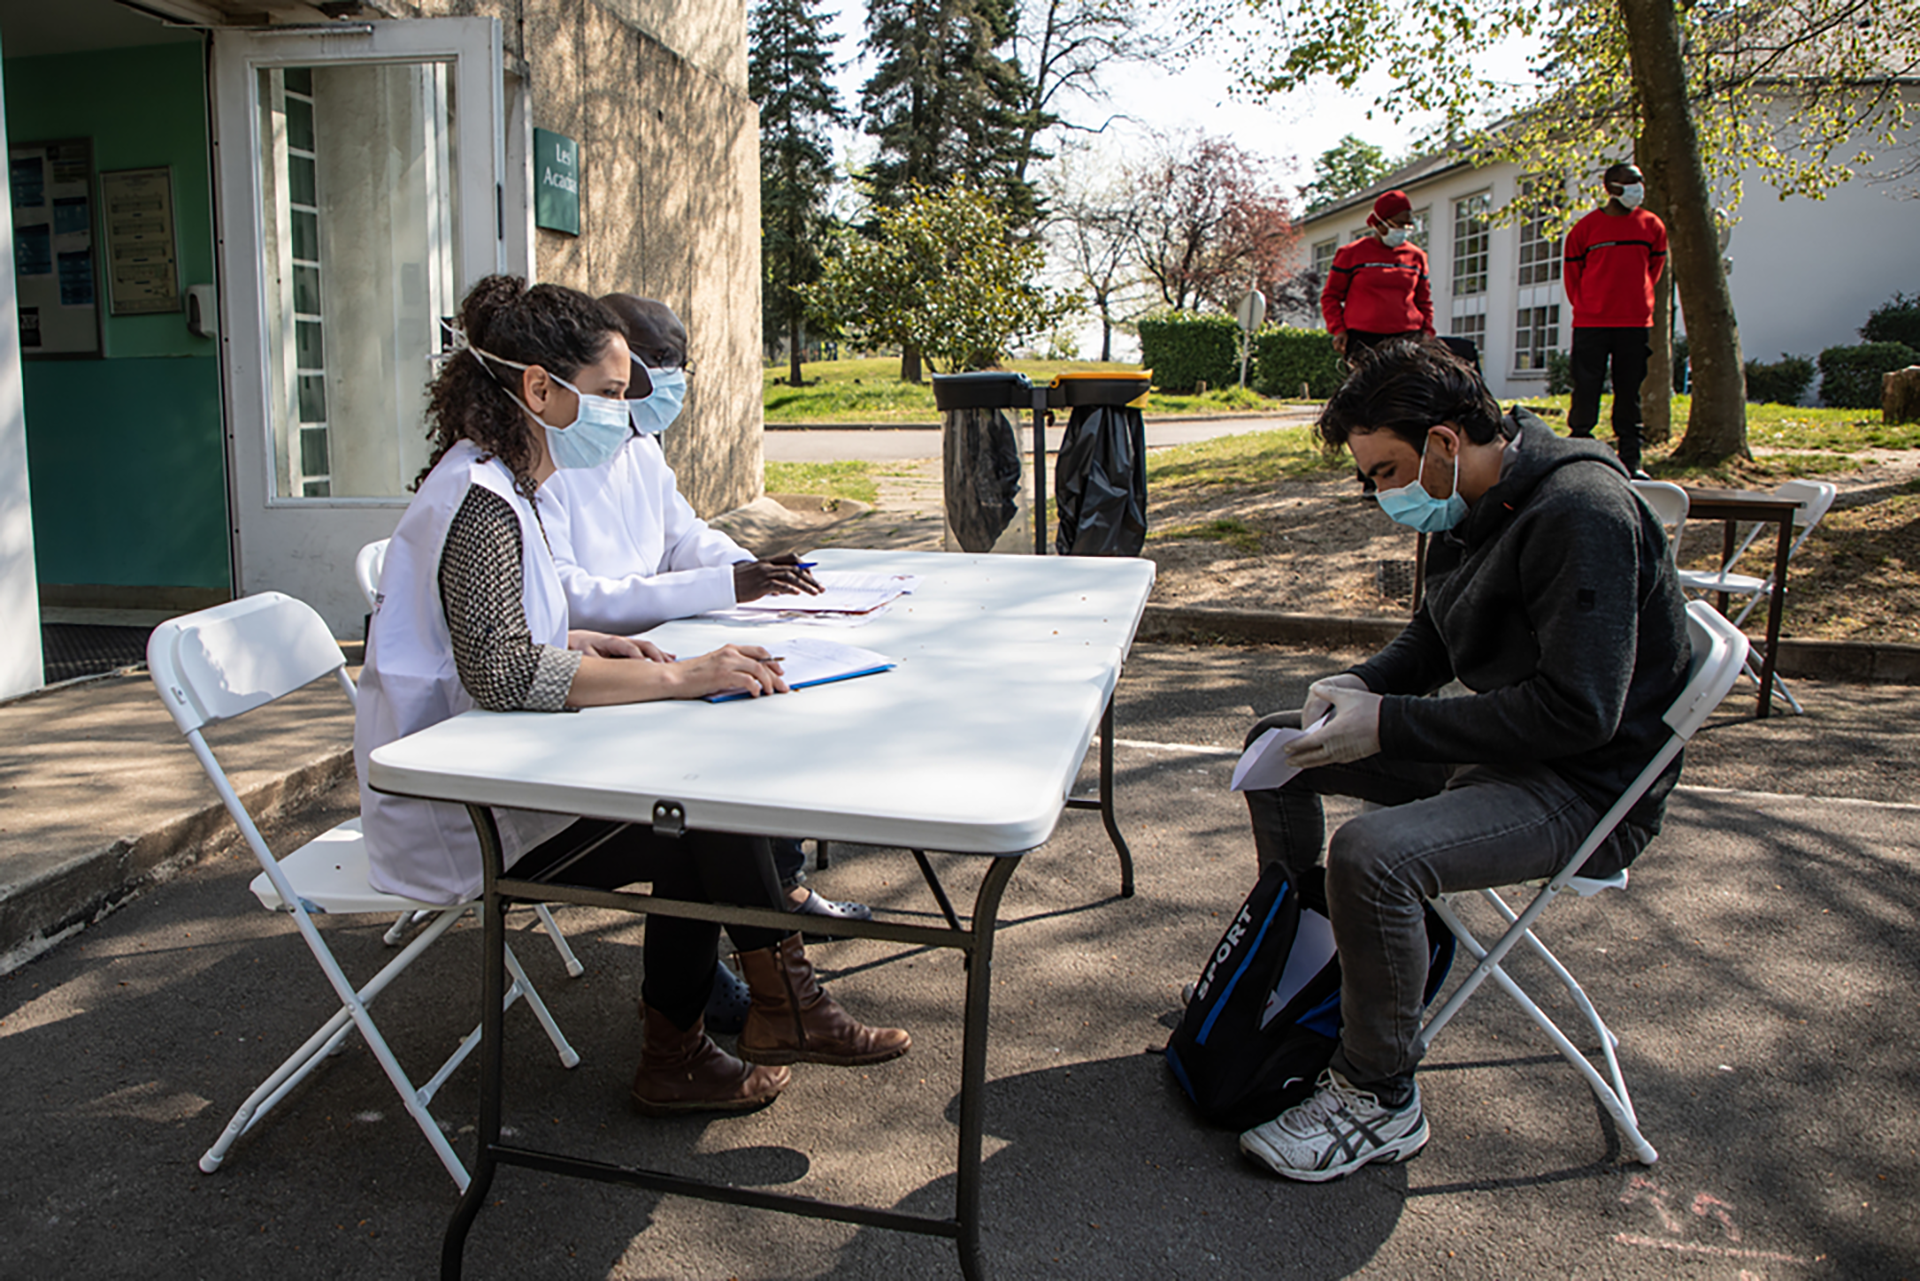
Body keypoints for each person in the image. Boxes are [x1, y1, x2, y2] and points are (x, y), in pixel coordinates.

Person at [353, 275, 908, 1118]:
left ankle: (744, 1023)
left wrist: (582, 638)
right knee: (694, 820)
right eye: (611, 394)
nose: (626, 413)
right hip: (460, 813)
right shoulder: (480, 500)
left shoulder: (504, 480)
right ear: (539, 388)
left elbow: (491, 631)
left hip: (496, 772)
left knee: (703, 809)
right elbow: (501, 671)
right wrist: (682, 675)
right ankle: (738, 1026)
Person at [1232, 338, 1690, 1182]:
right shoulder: (1470, 498)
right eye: (1370, 477)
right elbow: (1436, 636)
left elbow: (1580, 713)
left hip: (1584, 789)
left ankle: (1380, 1096)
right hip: (1506, 756)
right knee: (1281, 744)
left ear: (1444, 442)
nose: (1381, 495)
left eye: (1384, 471)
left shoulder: (1580, 512)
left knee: (1373, 856)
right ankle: (1293, 971)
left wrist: (1390, 725)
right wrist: (1359, 687)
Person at [540, 293, 873, 950]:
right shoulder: (549, 460)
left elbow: (683, 536)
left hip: (642, 657)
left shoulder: (634, 444)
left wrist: (754, 573)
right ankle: (752, 969)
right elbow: (569, 599)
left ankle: (783, 900)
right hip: (591, 698)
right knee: (709, 793)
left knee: (758, 705)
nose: (669, 378)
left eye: (679, 361)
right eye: (655, 360)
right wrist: (720, 584)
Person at [1563, 162, 1668, 479]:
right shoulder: (1585, 229)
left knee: (1629, 390)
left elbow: (1654, 270)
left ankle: (1631, 460)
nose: (1638, 188)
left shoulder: (1652, 226)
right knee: (1586, 387)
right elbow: (1573, 276)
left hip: (1634, 322)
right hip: (1591, 322)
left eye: (1640, 182)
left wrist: (1637, 301)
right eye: (1631, 183)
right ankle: (1580, 450)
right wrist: (1589, 304)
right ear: (1612, 188)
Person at [1320, 190, 1434, 363]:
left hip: (1407, 338)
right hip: (1363, 339)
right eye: (1398, 224)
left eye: (1407, 225)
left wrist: (1427, 331)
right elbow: (1331, 297)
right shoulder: (1351, 254)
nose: (1403, 230)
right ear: (1380, 223)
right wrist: (1338, 329)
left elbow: (1424, 300)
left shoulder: (1416, 256)